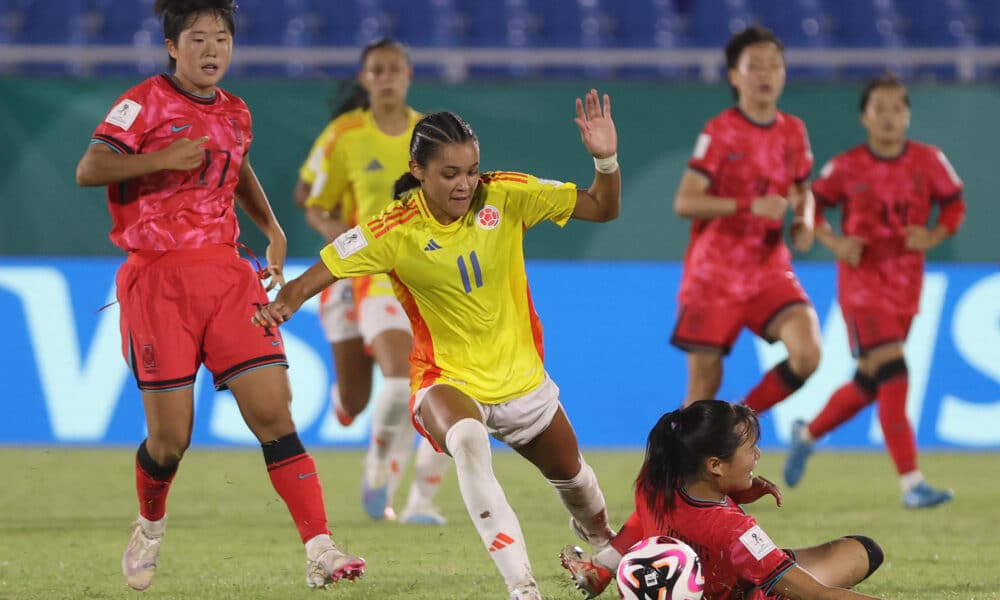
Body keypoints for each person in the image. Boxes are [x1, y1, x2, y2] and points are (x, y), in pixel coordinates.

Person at [253, 90, 621, 600]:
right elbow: (321, 269)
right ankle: (524, 589)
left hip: (520, 380)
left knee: (581, 490)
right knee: (468, 444)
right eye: (450, 173)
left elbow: (603, 208)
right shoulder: (393, 228)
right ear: (418, 171)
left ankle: (603, 550)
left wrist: (605, 158)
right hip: (444, 379)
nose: (465, 183)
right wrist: (281, 304)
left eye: (471, 170)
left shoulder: (507, 194)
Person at [74, 0, 364, 590]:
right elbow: (90, 167)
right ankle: (150, 524)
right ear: (172, 47)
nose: (212, 49)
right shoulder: (143, 101)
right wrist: (161, 157)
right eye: (199, 38)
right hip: (158, 280)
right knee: (170, 440)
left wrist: (274, 229)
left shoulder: (236, 111)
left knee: (274, 414)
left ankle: (321, 548)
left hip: (228, 275)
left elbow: (238, 169)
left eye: (222, 39)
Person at [783, 75, 964, 509]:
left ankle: (806, 433)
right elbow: (812, 204)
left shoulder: (930, 161)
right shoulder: (846, 166)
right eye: (878, 109)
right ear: (864, 117)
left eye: (896, 109)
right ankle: (912, 484)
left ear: (907, 115)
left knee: (869, 382)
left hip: (906, 284)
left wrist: (936, 233)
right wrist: (834, 242)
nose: (888, 117)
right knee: (895, 372)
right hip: (862, 285)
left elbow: (954, 202)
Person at [294, 38, 451, 524]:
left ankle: (405, 491)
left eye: (394, 69)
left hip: (424, 275)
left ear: (408, 75)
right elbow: (312, 198)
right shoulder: (345, 135)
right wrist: (341, 238)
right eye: (376, 70)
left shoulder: (430, 134)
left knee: (428, 382)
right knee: (374, 389)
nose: (386, 77)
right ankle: (367, 444)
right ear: (365, 79)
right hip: (372, 274)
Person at [560, 400, 885, 599]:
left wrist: (605, 565)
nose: (757, 455)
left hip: (703, 575)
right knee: (865, 550)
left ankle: (602, 567)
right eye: (750, 449)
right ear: (714, 465)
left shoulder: (655, 476)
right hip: (749, 584)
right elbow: (818, 595)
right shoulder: (736, 531)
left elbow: (644, 521)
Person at [672, 26, 821, 411]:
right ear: (734, 77)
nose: (766, 74)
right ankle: (666, 471)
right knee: (702, 393)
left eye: (774, 65)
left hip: (769, 269)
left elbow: (803, 189)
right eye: (755, 66)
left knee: (807, 353)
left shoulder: (794, 131)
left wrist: (803, 220)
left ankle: (741, 419)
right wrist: (747, 205)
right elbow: (685, 201)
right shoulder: (721, 132)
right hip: (715, 274)